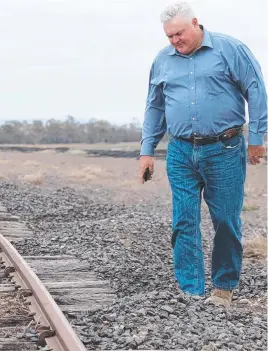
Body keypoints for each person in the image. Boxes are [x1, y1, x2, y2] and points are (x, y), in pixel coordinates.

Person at [139, 1, 267, 307]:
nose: (174, 41)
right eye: (169, 36)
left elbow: (256, 91)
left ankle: (223, 288)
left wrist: (257, 138)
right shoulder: (162, 60)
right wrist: (147, 150)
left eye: (179, 34)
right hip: (180, 150)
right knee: (183, 220)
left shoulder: (230, 49)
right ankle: (191, 290)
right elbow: (155, 106)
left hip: (224, 148)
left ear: (195, 23)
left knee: (225, 219)